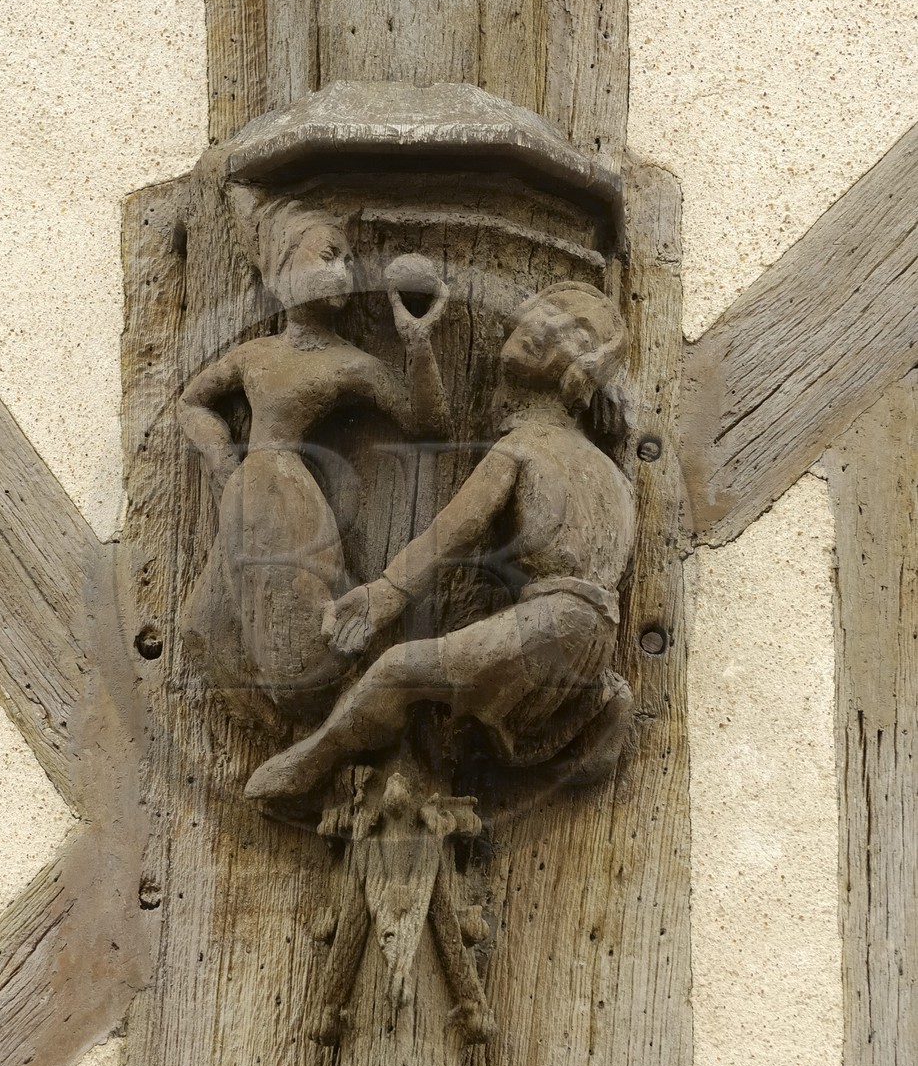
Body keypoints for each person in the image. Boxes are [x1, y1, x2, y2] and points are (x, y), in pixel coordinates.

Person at [245, 280, 635, 798]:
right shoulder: (613, 475)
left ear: (585, 370)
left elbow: (453, 532)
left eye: (575, 331)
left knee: (398, 668)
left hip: (554, 621)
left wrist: (383, 595)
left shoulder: (522, 449)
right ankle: (599, 715)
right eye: (550, 307)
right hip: (590, 638)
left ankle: (309, 764)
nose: (547, 325)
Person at [179, 195, 449, 728]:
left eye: (349, 260)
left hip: (287, 496)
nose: (345, 270)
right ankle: (281, 726)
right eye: (329, 255)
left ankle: (334, 721)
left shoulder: (347, 364)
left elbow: (427, 425)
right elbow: (192, 401)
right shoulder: (255, 356)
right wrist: (219, 458)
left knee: (308, 625)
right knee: (200, 628)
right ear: (282, 266)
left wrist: (418, 344)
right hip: (246, 490)